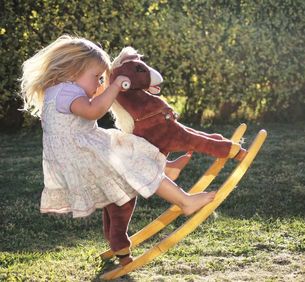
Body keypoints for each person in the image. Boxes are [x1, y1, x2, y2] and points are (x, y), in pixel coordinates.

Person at [19, 35, 216, 266]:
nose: (98, 83)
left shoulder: (56, 90)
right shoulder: (67, 92)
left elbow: (92, 101)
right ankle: (184, 201)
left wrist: (108, 85)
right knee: (132, 163)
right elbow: (93, 111)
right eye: (96, 77)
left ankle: (164, 172)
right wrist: (113, 86)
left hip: (79, 155)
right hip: (85, 154)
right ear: (74, 71)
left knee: (128, 159)